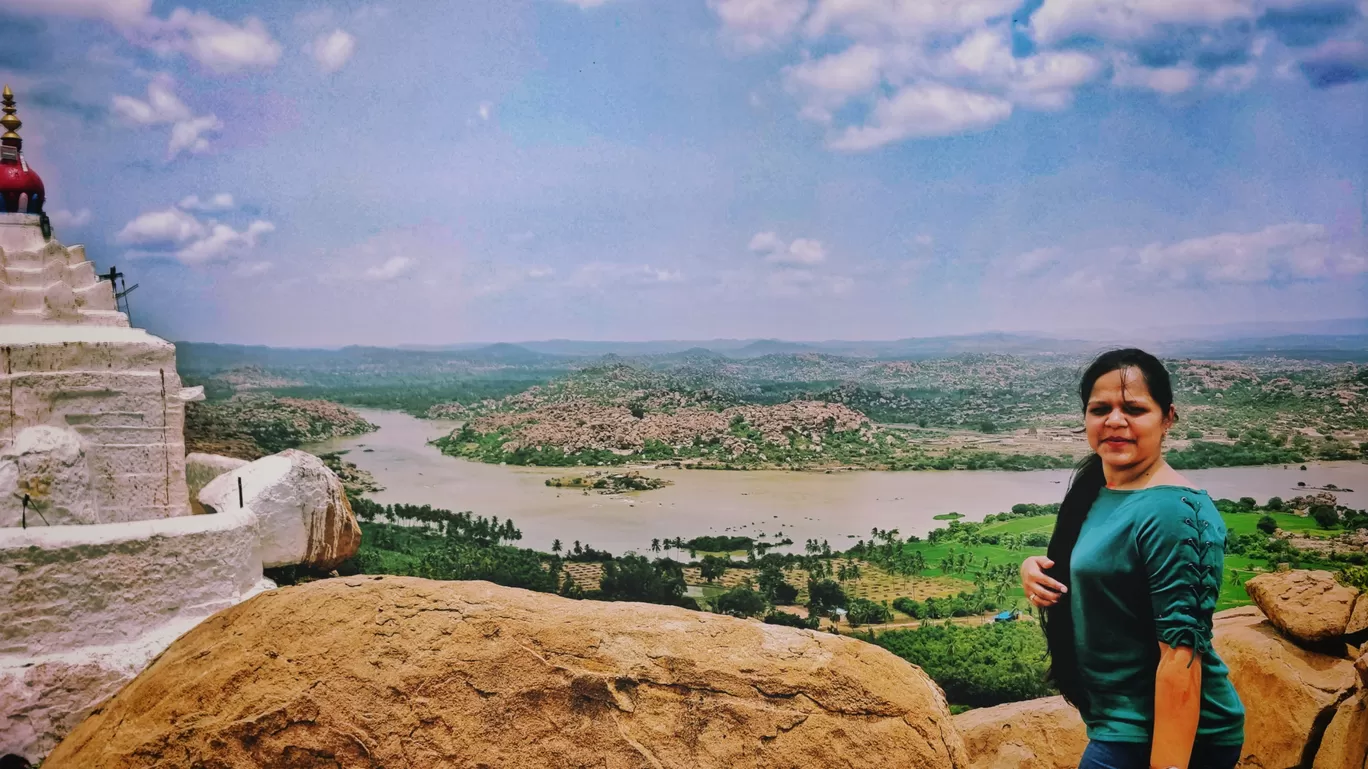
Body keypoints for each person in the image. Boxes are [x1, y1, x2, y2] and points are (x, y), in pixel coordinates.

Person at [1019, 349, 1244, 769]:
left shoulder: (1175, 512)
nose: (1115, 421)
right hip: (1118, 722)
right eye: (1100, 408)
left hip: (1166, 735)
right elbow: (1106, 562)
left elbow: (1182, 660)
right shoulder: (1099, 486)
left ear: (1168, 418)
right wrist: (1036, 569)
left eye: (1135, 408)